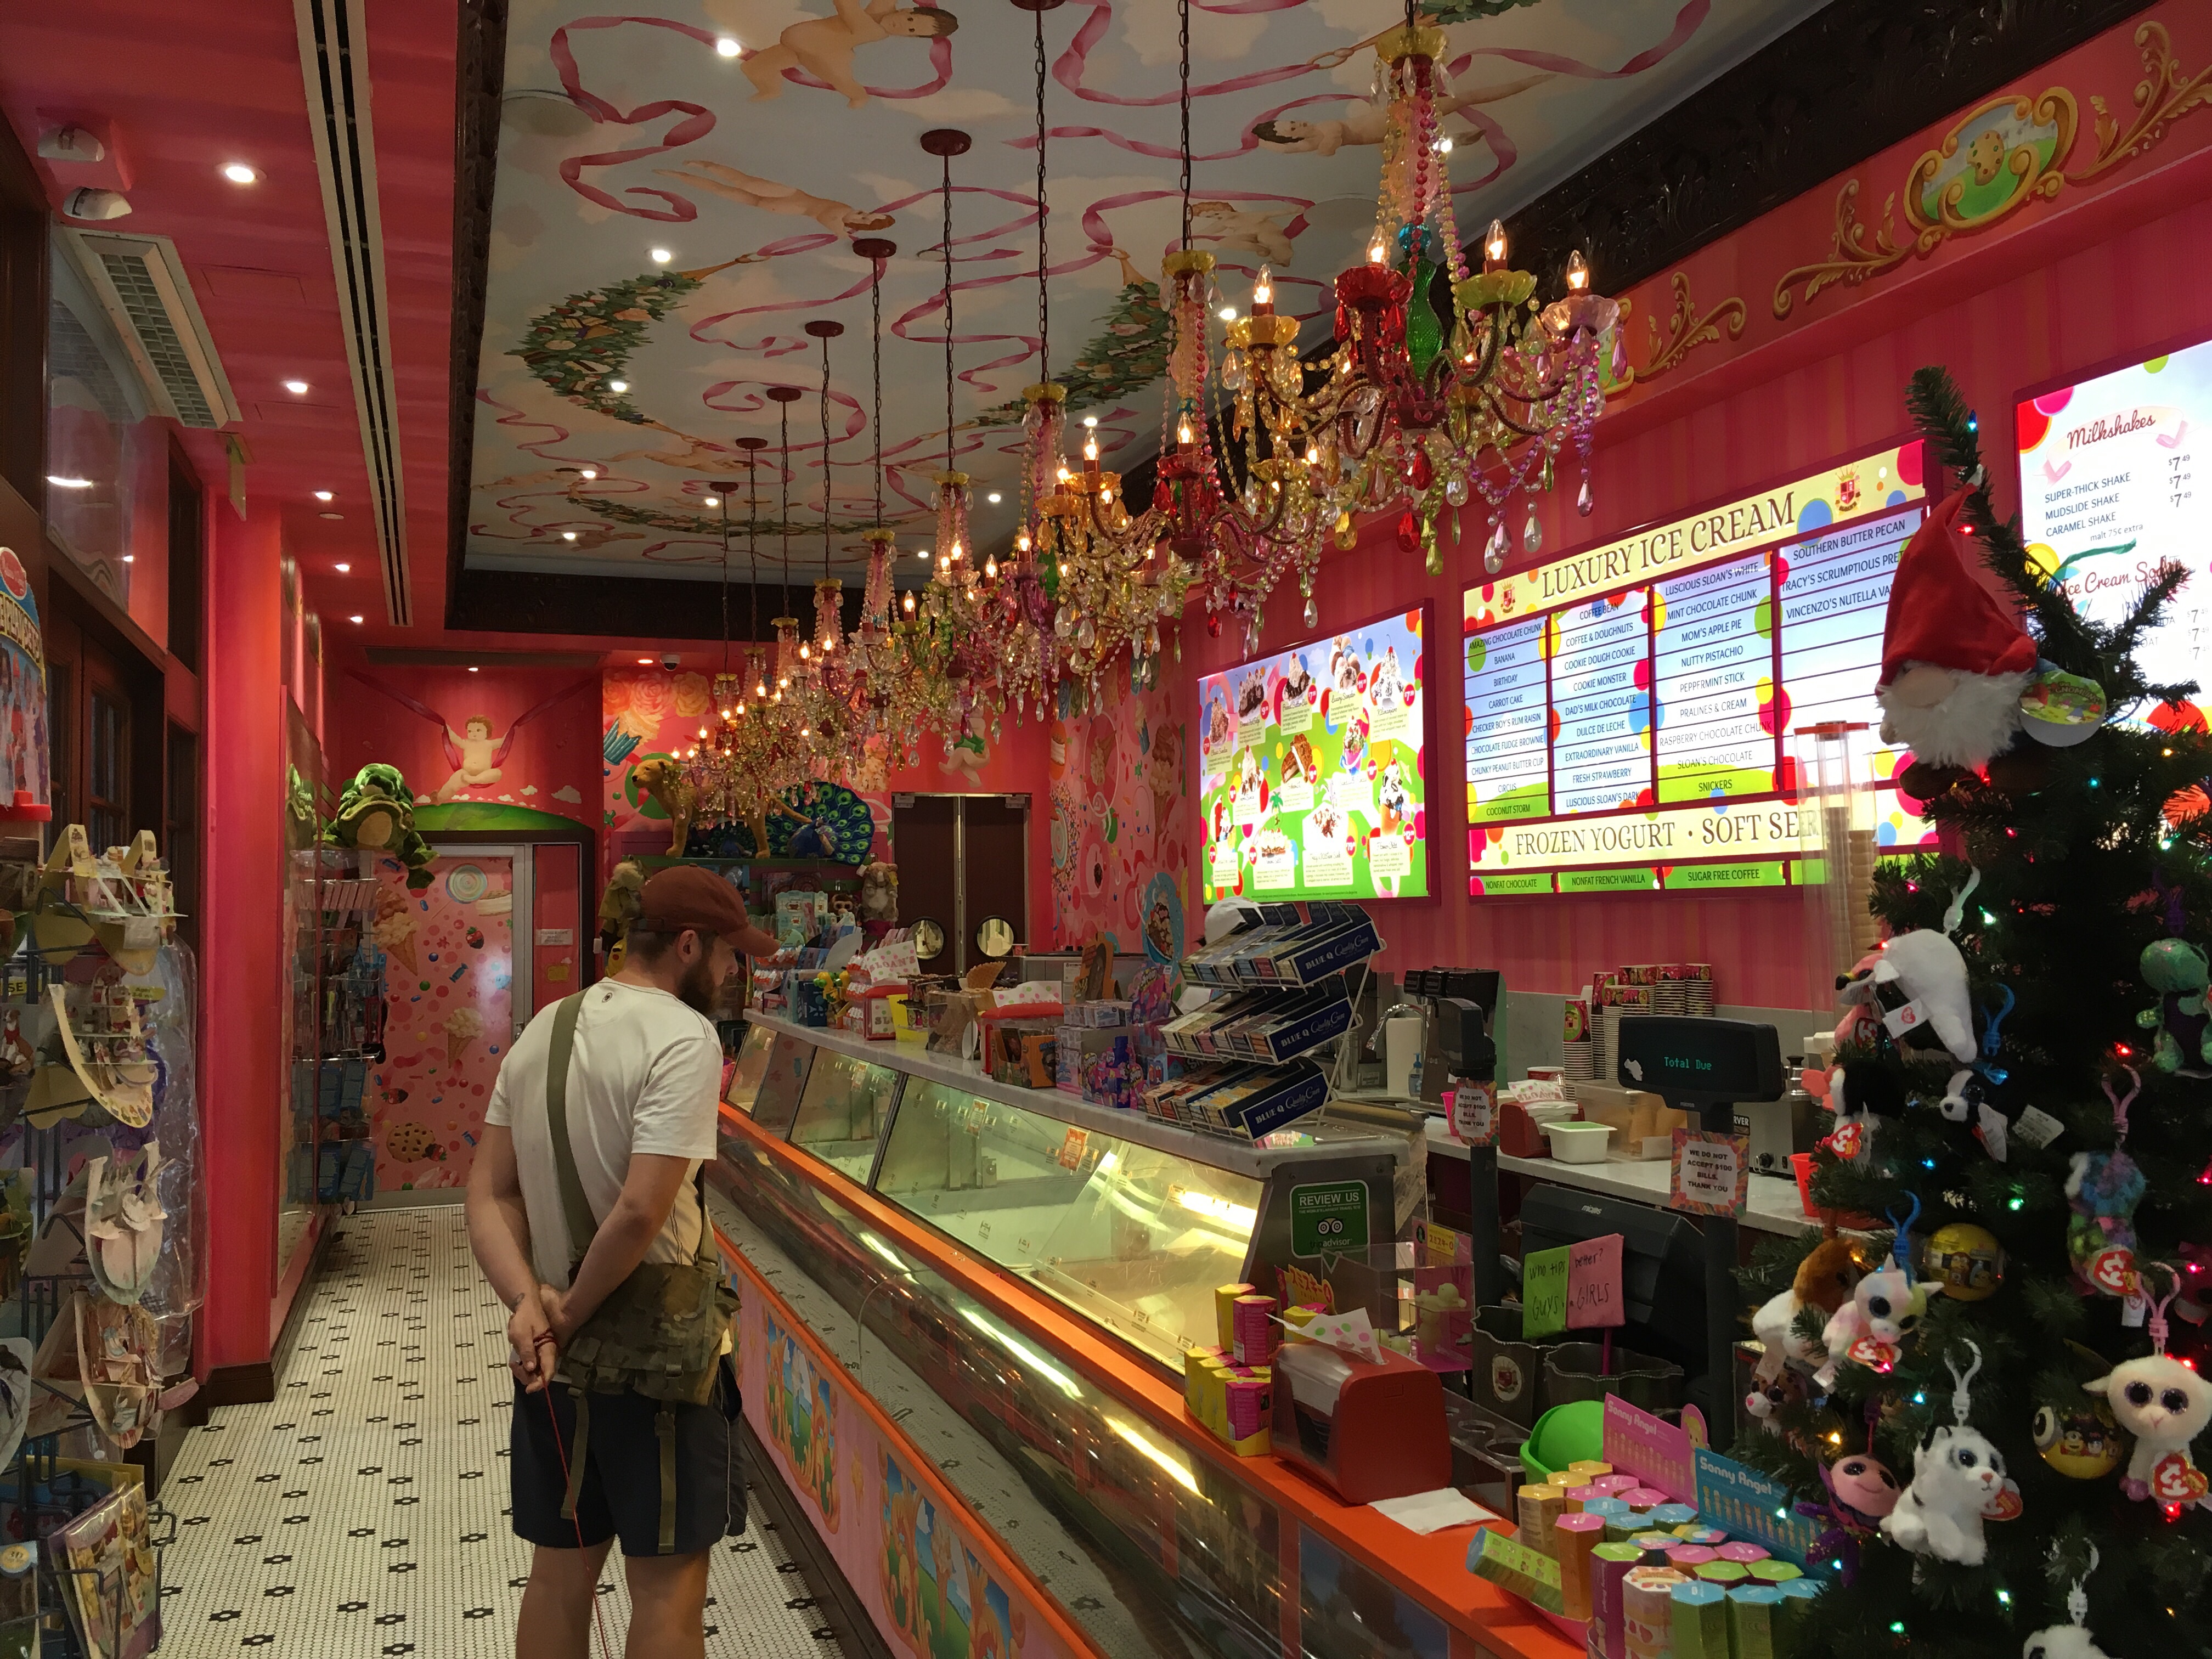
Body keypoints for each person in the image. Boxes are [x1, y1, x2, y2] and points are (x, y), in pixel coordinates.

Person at [467, 866, 780, 1659]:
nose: (734, 972)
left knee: (559, 1579)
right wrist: (569, 1316)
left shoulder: (544, 1028)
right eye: (730, 954)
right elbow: (642, 1210)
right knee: (668, 1591)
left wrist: (530, 1308)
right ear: (688, 946)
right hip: (659, 1367)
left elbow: (490, 1194)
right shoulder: (683, 1037)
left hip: (552, 1362)